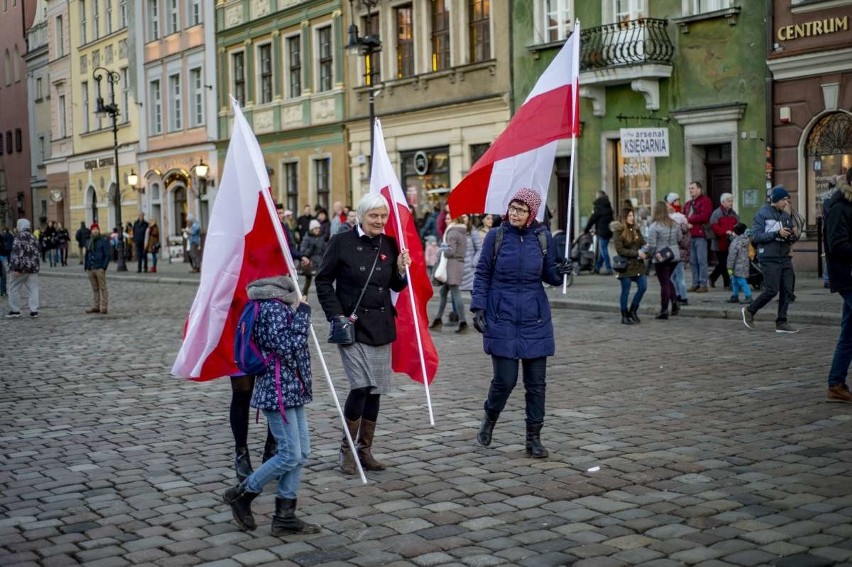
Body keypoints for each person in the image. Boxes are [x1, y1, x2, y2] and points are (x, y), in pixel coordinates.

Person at [471, 188, 572, 458]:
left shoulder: (542, 237)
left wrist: (560, 271)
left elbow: (548, 274)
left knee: (536, 383)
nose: (515, 213)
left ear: (532, 213)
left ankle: (533, 438)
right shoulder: (497, 235)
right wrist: (478, 307)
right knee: (505, 380)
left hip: (534, 317)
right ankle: (489, 419)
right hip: (501, 314)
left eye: (521, 210)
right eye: (513, 208)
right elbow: (482, 273)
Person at [315, 193, 411, 475]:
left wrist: (401, 271)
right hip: (352, 327)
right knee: (361, 386)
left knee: (376, 391)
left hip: (381, 326)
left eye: (383, 216)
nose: (380, 221)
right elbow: (323, 281)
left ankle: (365, 450)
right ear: (360, 215)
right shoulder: (341, 242)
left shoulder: (390, 243)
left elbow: (395, 287)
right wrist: (337, 315)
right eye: (374, 216)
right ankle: (346, 449)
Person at [222, 276, 320, 536]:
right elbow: (288, 347)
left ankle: (285, 515)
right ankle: (242, 495)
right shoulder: (273, 308)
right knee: (289, 453)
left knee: (302, 452)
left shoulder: (273, 305)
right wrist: (303, 313)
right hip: (279, 390)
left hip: (291, 388)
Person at [741, 186, 799, 333]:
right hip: (769, 257)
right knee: (772, 290)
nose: (786, 203)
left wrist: (791, 235)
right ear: (775, 199)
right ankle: (749, 310)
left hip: (784, 257)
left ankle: (781, 322)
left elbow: (789, 234)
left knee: (787, 291)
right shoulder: (762, 214)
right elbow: (757, 236)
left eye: (787, 200)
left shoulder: (785, 216)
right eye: (783, 200)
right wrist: (776, 233)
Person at [824, 169, 852, 402]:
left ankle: (836, 382)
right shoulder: (839, 207)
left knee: (849, 333)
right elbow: (837, 245)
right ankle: (836, 382)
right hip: (848, 277)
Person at [430, 210, 469, 333]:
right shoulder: (462, 231)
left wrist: (441, 250)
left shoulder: (452, 232)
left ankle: (463, 322)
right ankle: (438, 319)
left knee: (455, 293)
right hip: (457, 264)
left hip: (451, 266)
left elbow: (450, 251)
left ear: (454, 219)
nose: (446, 220)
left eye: (448, 218)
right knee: (443, 292)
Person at [644, 201, 684, 320]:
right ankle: (675, 303)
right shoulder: (674, 224)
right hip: (674, 255)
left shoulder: (654, 226)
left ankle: (664, 310)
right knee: (667, 280)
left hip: (661, 257)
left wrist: (647, 255)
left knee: (664, 283)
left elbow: (652, 245)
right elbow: (680, 238)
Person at [611, 207, 647, 325]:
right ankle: (624, 315)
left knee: (643, 287)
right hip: (625, 266)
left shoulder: (636, 229)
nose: (632, 218)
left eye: (633, 215)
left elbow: (642, 243)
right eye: (630, 216)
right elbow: (620, 250)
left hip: (638, 265)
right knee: (625, 290)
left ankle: (633, 311)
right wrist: (636, 253)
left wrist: (647, 251)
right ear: (624, 217)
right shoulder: (618, 231)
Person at [6, 218, 40, 318]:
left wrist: (16, 268)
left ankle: (15, 310)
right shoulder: (33, 237)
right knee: (33, 289)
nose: (17, 227)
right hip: (33, 268)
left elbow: (16, 253)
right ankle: (34, 311)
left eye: (18, 225)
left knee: (13, 288)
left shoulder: (19, 237)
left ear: (21, 226)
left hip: (21, 268)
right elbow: (38, 252)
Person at [683, 181, 713, 292]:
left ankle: (703, 284)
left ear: (699, 189)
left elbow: (705, 216)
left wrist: (689, 220)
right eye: (690, 188)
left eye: (693, 188)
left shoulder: (706, 201)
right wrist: (686, 222)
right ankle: (695, 283)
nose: (691, 190)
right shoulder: (688, 204)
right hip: (689, 236)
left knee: (702, 261)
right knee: (693, 261)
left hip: (700, 235)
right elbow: (683, 216)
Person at [709, 193, 739, 290]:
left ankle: (713, 277)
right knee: (724, 263)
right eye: (729, 201)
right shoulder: (716, 213)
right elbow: (714, 227)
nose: (731, 203)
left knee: (725, 263)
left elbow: (738, 225)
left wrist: (736, 232)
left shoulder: (733, 213)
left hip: (730, 243)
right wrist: (725, 232)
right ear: (723, 202)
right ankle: (727, 283)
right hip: (719, 243)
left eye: (731, 201)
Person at [666, 193, 690, 306]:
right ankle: (679, 295)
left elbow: (677, 238)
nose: (678, 203)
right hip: (681, 251)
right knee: (675, 276)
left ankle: (683, 296)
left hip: (675, 252)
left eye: (678, 200)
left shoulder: (674, 219)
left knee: (677, 277)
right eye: (676, 201)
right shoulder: (682, 219)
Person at [583, 190, 615, 275]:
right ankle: (597, 267)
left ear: (599, 197)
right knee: (602, 250)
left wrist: (586, 229)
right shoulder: (608, 206)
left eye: (596, 196)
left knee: (603, 249)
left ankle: (608, 268)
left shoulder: (598, 207)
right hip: (609, 231)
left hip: (602, 231)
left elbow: (592, 219)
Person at [84, 223, 111, 315]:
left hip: (99, 267)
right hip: (91, 268)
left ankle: (104, 307)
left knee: (103, 288)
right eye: (93, 229)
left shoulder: (103, 241)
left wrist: (103, 267)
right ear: (91, 231)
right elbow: (87, 255)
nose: (95, 230)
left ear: (99, 230)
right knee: (95, 288)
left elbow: (107, 255)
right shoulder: (88, 241)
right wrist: (86, 267)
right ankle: (96, 306)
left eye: (96, 229)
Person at [726, 223, 753, 305]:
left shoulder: (735, 242)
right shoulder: (745, 239)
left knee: (741, 281)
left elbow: (731, 256)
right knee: (735, 281)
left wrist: (729, 267)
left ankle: (748, 296)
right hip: (743, 265)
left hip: (735, 266)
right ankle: (735, 296)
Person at [299, 219, 326, 297]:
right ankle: (304, 297)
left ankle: (323, 297)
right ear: (312, 229)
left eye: (318, 228)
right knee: (308, 282)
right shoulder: (307, 238)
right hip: (310, 263)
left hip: (320, 263)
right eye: (316, 228)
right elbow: (303, 252)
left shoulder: (321, 237)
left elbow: (324, 249)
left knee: (321, 281)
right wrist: (311, 248)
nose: (318, 230)